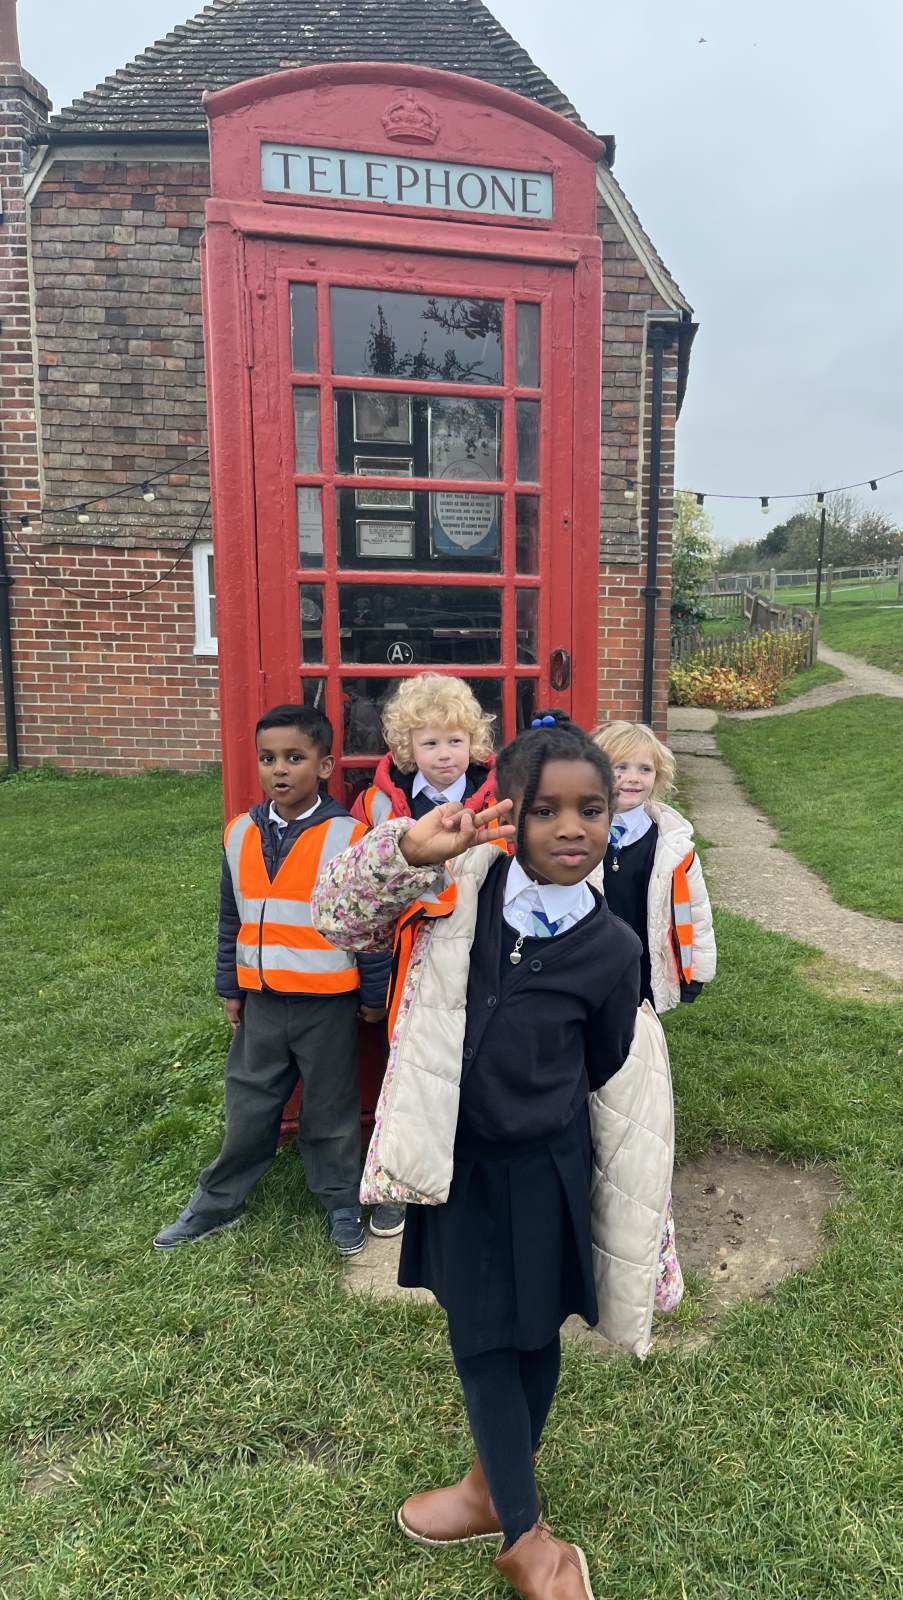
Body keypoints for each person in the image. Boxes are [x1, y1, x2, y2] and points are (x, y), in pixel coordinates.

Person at [312, 712, 675, 1600]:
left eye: (590, 810)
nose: (570, 829)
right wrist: (411, 846)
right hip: (458, 1165)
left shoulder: (613, 947)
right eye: (545, 810)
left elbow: (602, 1061)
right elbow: (336, 918)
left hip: (547, 1169)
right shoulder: (450, 891)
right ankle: (524, 1534)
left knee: (536, 1331)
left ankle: (487, 1487)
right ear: (507, 812)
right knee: (480, 1337)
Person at [154, 704, 393, 1258]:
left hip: (327, 1004)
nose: (279, 769)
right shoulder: (239, 833)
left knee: (331, 1111)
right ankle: (218, 1201)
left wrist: (373, 995)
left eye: (294, 757)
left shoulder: (350, 836)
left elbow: (371, 923)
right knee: (248, 1107)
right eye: (267, 759)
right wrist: (229, 989)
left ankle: (340, 1202)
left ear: (325, 765)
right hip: (261, 1001)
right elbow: (230, 917)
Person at [590, 720, 716, 1011]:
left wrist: (696, 971)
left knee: (640, 1033)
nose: (633, 778)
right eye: (620, 767)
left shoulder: (674, 847)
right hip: (590, 962)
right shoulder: (577, 834)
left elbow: (695, 911)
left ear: (658, 776)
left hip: (645, 965)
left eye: (645, 769)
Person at [351, 671, 495, 828]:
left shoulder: (497, 800)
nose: (444, 754)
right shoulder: (373, 803)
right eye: (431, 743)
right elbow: (355, 843)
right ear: (409, 748)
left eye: (455, 741)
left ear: (471, 743)